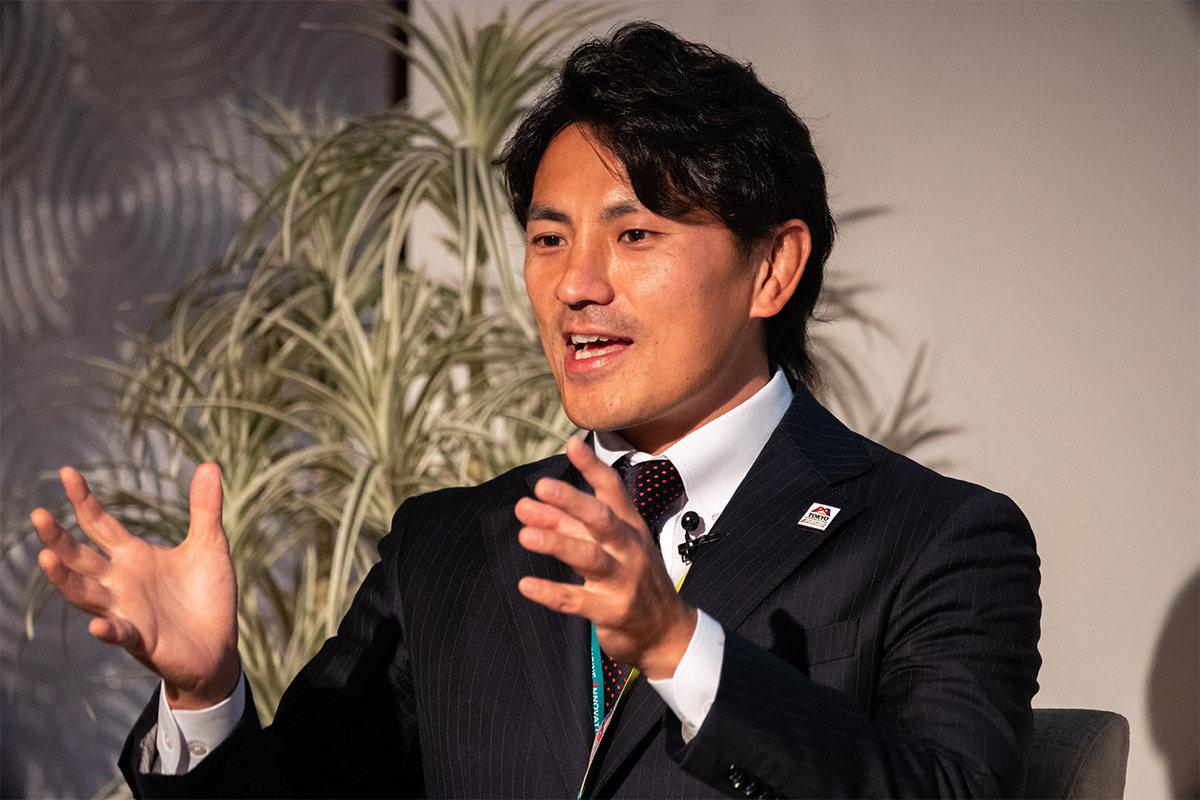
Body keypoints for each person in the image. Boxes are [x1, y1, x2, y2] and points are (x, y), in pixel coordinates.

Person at [31, 22, 1041, 799]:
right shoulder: (445, 548)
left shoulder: (935, 538)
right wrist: (204, 691)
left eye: (634, 235)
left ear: (772, 268)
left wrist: (680, 645)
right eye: (550, 239)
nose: (575, 285)